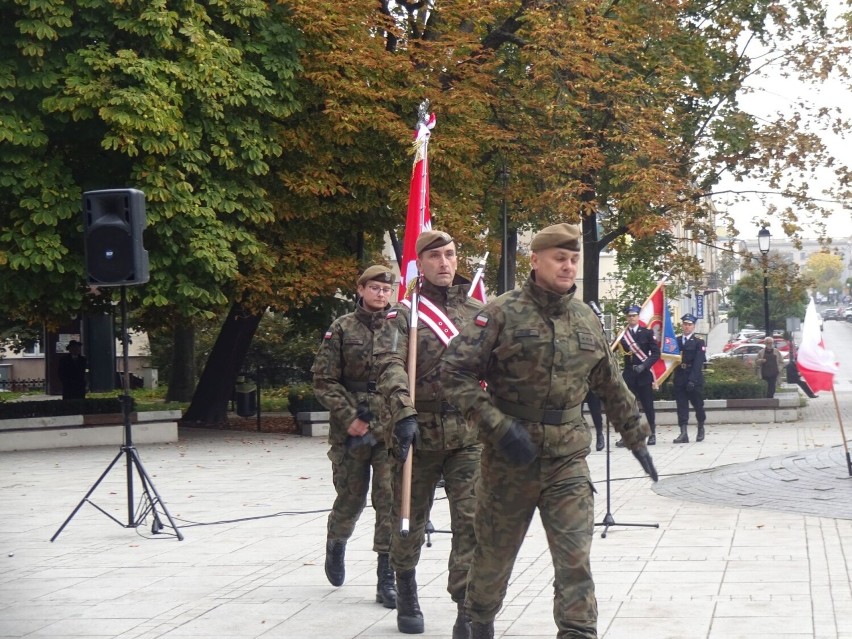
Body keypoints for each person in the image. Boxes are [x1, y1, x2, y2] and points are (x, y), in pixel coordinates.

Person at [442, 223, 658, 639]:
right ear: (536, 260)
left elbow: (610, 383)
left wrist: (636, 436)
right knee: (491, 560)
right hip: (509, 462)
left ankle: (577, 630)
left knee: (575, 559)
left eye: (574, 259)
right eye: (560, 258)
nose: (568, 266)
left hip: (567, 462)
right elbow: (455, 374)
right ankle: (477, 618)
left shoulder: (586, 319)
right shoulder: (501, 313)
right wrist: (498, 427)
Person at [374, 230, 484, 637]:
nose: (444, 262)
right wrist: (403, 411)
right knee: (408, 519)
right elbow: (387, 363)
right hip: (417, 432)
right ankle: (406, 588)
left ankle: (465, 607)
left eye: (451, 254)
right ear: (420, 262)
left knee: (471, 522)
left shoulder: (477, 311)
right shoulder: (404, 313)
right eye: (435, 256)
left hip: (467, 435)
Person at [311, 265, 397, 609]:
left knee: (389, 500)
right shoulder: (342, 328)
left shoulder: (400, 328)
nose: (380, 294)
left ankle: (386, 576)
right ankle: (336, 541)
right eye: (374, 288)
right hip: (352, 428)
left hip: (389, 425)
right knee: (351, 497)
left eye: (385, 289)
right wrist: (349, 416)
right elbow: (323, 380)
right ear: (360, 290)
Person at [616, 304, 660, 446]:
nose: (632, 318)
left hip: (644, 374)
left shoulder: (646, 333)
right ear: (626, 317)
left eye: (634, 315)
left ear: (638, 317)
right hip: (629, 374)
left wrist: (644, 365)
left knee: (648, 406)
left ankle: (652, 434)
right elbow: (612, 348)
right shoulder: (622, 335)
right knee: (628, 407)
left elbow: (655, 353)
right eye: (629, 316)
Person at [672, 314, 706, 443]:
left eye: (689, 324)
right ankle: (683, 433)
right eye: (685, 324)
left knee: (698, 405)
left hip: (694, 378)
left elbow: (698, 362)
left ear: (693, 326)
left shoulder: (699, 341)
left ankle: (701, 427)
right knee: (681, 406)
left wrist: (692, 380)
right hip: (680, 377)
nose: (687, 327)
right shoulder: (677, 340)